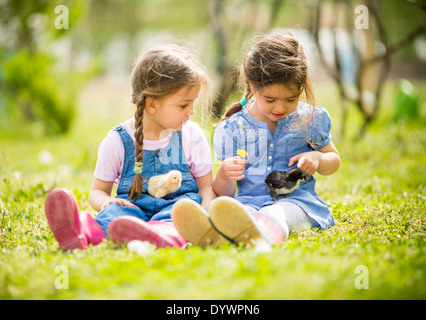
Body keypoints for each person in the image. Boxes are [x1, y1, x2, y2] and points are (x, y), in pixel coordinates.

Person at [172, 33, 340, 247]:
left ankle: (261, 236)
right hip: (248, 205)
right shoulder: (233, 128)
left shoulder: (309, 120)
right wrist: (224, 175)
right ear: (252, 86)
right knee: (230, 211)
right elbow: (226, 192)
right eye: (270, 99)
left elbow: (333, 161)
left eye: (291, 99)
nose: (280, 108)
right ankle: (219, 234)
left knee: (276, 212)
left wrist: (317, 158)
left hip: (298, 205)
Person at [44, 44, 217, 251]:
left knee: (180, 219)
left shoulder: (192, 135)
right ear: (151, 104)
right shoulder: (117, 141)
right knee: (111, 216)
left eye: (192, 103)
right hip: (130, 210)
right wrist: (106, 203)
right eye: (183, 105)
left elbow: (206, 186)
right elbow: (98, 191)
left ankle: (158, 235)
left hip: (176, 210)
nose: (191, 111)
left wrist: (206, 211)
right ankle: (80, 231)